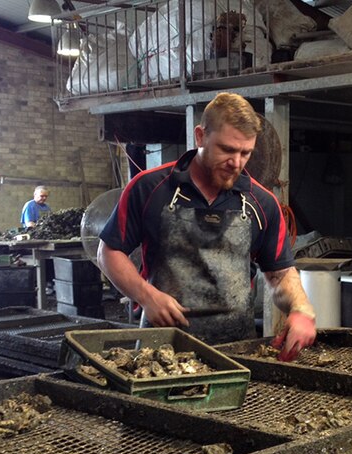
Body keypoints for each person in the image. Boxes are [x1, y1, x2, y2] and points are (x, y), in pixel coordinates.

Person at [97, 92, 316, 360]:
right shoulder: (149, 188)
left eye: (245, 153)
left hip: (236, 354)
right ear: (200, 136)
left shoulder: (263, 203)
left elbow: (280, 274)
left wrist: (301, 307)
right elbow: (108, 252)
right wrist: (146, 296)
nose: (236, 163)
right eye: (226, 149)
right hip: (161, 352)